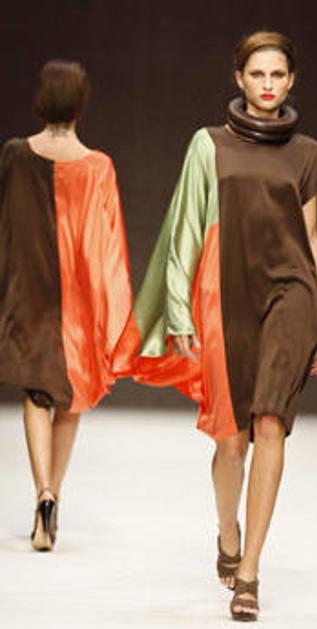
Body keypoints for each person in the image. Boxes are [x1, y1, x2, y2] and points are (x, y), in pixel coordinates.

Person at [133, 31, 317, 621]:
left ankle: (249, 573)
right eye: (257, 74)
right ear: (239, 79)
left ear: (291, 81)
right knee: (231, 441)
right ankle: (228, 531)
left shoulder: (307, 153)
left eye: (278, 75)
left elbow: (311, 240)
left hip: (291, 294)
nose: (268, 84)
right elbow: (185, 228)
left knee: (271, 423)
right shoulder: (209, 144)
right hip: (226, 297)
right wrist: (178, 310)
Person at [0, 60, 139, 551]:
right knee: (72, 399)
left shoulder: (15, 154)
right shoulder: (98, 166)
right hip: (78, 299)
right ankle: (53, 494)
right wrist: (115, 315)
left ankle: (42, 491)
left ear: (41, 100)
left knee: (37, 393)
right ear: (82, 103)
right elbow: (109, 245)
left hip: (29, 291)